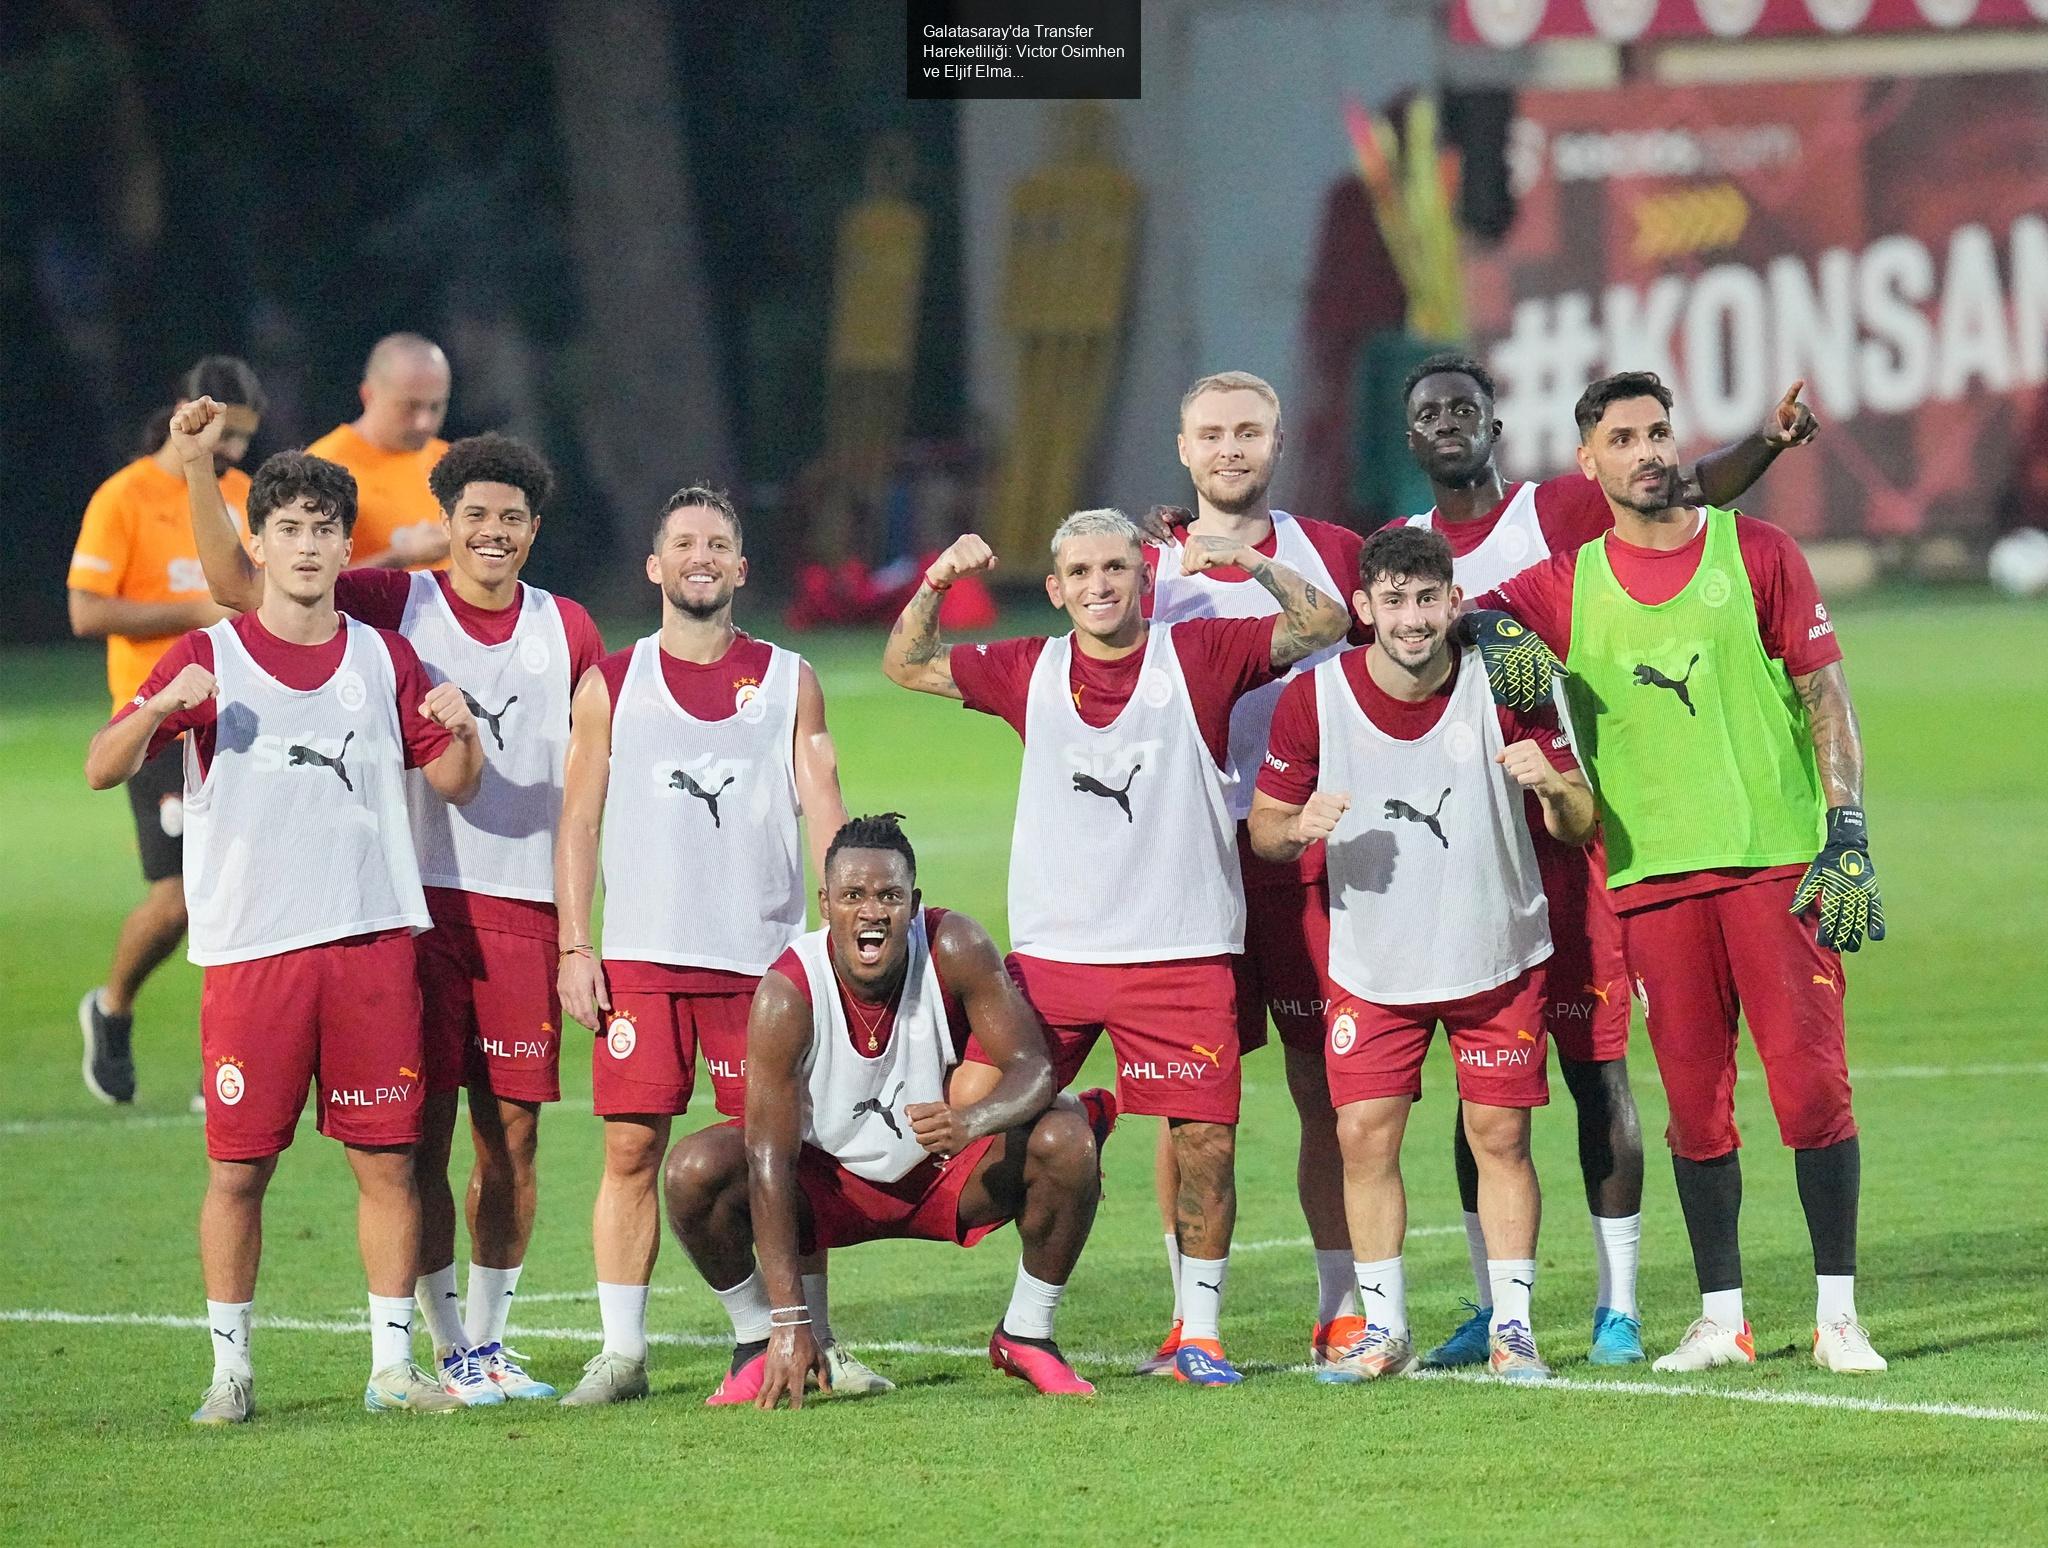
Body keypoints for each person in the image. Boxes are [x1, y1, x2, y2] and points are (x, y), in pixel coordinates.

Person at [177, 402, 607, 1404]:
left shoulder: (569, 627)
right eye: (477, 512)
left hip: (520, 913)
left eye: (513, 517)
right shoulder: (392, 602)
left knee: (517, 1135)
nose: (494, 531)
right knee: (413, 1137)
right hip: (408, 906)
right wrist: (203, 474)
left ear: (534, 531)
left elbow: (590, 783)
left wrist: (579, 931)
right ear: (446, 516)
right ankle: (442, 1338)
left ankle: (488, 1342)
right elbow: (241, 587)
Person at [1398, 351, 1818, 1368]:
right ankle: (1491, 1303)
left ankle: (1618, 1304)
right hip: (1476, 835)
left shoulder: (1551, 516)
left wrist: (1763, 441)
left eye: (1465, 406)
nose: (1447, 422)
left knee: (1598, 1070)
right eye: (1427, 412)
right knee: (1481, 1083)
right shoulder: (1405, 547)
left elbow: (1677, 491)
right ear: (1408, 436)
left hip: (1582, 832)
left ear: (1497, 423)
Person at [1470, 370, 1885, 1375]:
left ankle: (1837, 1316)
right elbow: (1448, 613)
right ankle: (1721, 1318)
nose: (1647, 451)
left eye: (1658, 433)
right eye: (1623, 439)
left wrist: (1845, 830)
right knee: (1693, 1102)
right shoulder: (1563, 584)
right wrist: (1490, 633)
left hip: (1774, 864)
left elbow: (1823, 697)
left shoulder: (1759, 554)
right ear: (1588, 463)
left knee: (1807, 1091)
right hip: (1649, 877)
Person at [883, 507, 1351, 1384]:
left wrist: (1246, 559)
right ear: (1055, 589)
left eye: (1116, 568)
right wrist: (941, 575)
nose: (1100, 586)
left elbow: (1324, 622)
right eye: (1081, 573)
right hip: (1056, 957)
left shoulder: (1201, 655)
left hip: (1182, 953)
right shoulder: (1029, 667)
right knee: (977, 1120)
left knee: (1206, 1144)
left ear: (1145, 575)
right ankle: (1027, 1312)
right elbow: (904, 661)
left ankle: (1198, 1335)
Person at [84, 445, 484, 1423]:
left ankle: (392, 1368)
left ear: (346, 545)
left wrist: (460, 725)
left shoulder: (384, 657)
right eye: (288, 529)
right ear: (254, 544)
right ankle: (232, 1372)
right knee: (238, 1169)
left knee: (388, 1161)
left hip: (371, 942)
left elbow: (452, 783)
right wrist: (156, 718)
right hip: (255, 954)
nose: (306, 547)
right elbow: (101, 764)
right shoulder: (205, 660)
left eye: (323, 530)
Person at [1251, 524, 1595, 1382]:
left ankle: (1514, 1329)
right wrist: (1299, 827)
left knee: (1500, 1136)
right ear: (1363, 608)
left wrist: (1552, 785)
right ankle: (1383, 1330)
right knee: (1364, 1136)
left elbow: (1581, 817)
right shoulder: (1314, 698)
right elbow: (1263, 830)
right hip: (1375, 960)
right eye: (1393, 602)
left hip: (1495, 950)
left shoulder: (1505, 685)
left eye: (1427, 599)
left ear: (1454, 603)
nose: (1412, 619)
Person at [553, 484, 870, 1405]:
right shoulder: (611, 683)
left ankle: (814, 1341)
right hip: (644, 960)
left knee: (780, 1156)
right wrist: (577, 947)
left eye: (718, 543)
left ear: (740, 567)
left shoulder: (787, 678)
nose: (701, 556)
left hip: (761, 963)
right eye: (683, 541)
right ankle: (622, 1354)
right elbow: (577, 824)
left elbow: (828, 812)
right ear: (655, 567)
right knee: (628, 1152)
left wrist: (839, 936)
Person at [663, 814, 1116, 1407]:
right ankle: (756, 1344)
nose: (871, 911)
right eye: (853, 895)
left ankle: (1027, 1331)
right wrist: (789, 1319)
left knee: (1067, 1139)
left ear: (913, 902)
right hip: (829, 1187)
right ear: (826, 904)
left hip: (944, 1173)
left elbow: (1034, 1067)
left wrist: (971, 1122)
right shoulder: (788, 991)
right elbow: (768, 1156)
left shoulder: (955, 945)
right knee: (692, 1171)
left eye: (889, 896)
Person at [1138, 370, 1365, 1376]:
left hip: (1305, 853)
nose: (1229, 448)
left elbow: (1393, 656)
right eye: (1211, 433)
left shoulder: (1333, 555)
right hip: (1184, 860)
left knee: (1330, 1082)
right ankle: (1187, 1316)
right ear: (1181, 449)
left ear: (1275, 444)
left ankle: (1341, 1304)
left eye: (1247, 431)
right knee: (1186, 1096)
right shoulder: (1136, 568)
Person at [68, 357, 264, 1106]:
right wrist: (192, 613)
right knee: (178, 902)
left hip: (236, 720)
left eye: (247, 439)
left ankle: (232, 1063)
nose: (237, 454)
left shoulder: (242, 497)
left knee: (244, 892)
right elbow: (86, 612)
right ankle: (112, 1007)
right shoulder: (125, 497)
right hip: (154, 722)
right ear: (193, 412)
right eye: (228, 434)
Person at [308, 333, 453, 570]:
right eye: (410, 406)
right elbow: (306, 581)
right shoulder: (322, 470)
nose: (424, 422)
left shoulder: (451, 462)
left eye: (436, 406)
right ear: (368, 395)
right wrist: (401, 557)